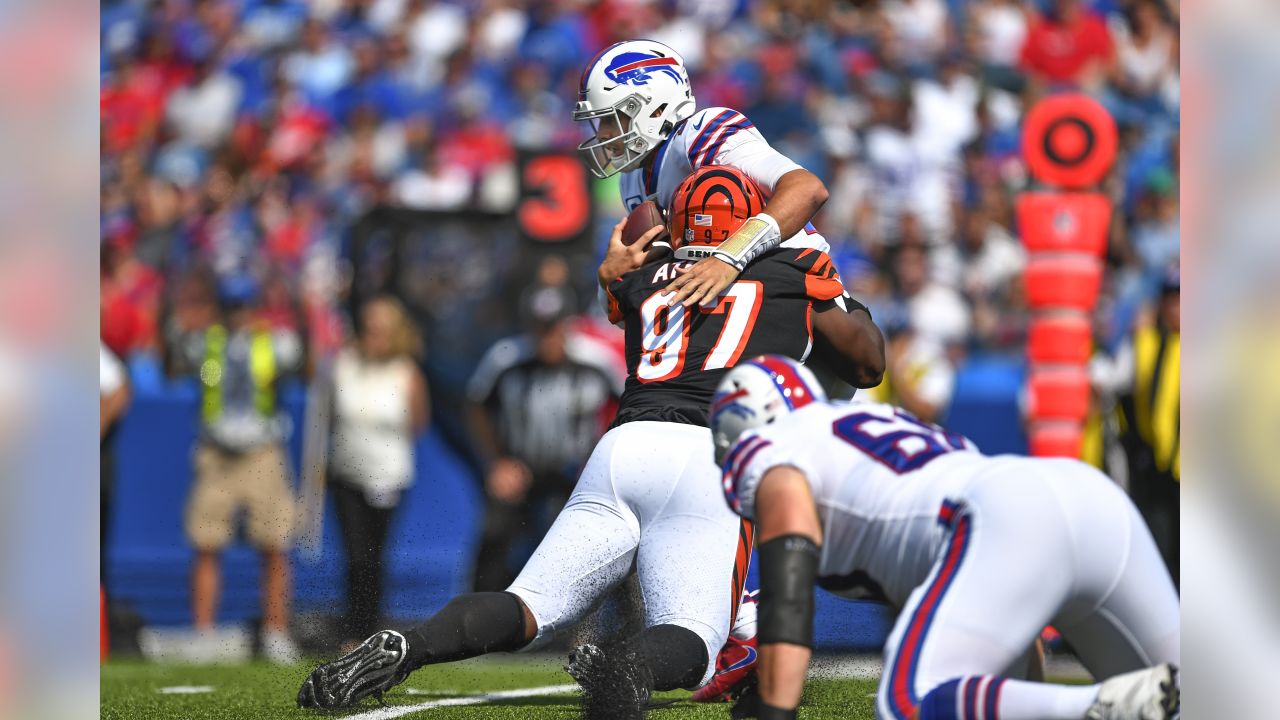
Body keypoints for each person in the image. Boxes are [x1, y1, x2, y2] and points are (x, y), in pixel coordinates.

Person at [296, 166, 884, 715]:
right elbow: (866, 364)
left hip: (624, 446)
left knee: (529, 603)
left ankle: (412, 642)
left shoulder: (644, 276)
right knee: (695, 638)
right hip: (709, 456)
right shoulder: (789, 270)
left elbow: (619, 293)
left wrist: (614, 269)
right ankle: (626, 664)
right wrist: (834, 290)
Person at [709, 355, 1179, 720]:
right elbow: (1010, 625)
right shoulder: (872, 431)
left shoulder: (777, 450)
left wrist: (775, 707)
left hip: (998, 516)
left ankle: (1096, 707)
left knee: (910, 702)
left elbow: (788, 597)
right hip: (1087, 498)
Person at [575, 39, 833, 310]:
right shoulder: (632, 181)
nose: (603, 133)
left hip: (796, 278)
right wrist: (609, 280)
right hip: (728, 300)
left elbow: (807, 189)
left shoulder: (699, 133)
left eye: (611, 118)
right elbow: (632, 308)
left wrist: (729, 257)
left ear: (656, 107)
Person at [174, 273, 303, 663]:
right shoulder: (205, 344)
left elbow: (302, 360)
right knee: (206, 542)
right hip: (217, 451)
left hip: (262, 449)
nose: (238, 316)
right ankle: (204, 632)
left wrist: (298, 307)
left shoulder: (275, 343)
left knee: (275, 542)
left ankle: (276, 632)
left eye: (243, 307)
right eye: (232, 308)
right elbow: (173, 358)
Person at [465, 282, 622, 592]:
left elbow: (629, 407)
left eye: (553, 327)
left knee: (603, 538)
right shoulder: (507, 359)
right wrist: (497, 462)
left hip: (577, 473)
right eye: (539, 328)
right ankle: (479, 620)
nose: (546, 337)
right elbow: (475, 408)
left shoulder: (596, 361)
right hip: (520, 468)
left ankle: (604, 630)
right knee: (495, 535)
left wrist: (603, 463)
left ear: (569, 324)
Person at [329, 296, 430, 644]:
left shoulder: (406, 371)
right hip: (345, 475)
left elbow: (418, 422)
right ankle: (353, 631)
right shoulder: (344, 364)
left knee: (374, 556)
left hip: (388, 476)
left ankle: (370, 627)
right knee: (354, 555)